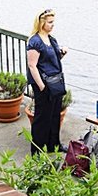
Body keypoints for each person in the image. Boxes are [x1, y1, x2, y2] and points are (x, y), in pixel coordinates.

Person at [25, 9, 67, 155]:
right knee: (42, 117)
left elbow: (53, 60)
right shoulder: (35, 41)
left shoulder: (51, 39)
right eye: (50, 22)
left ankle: (53, 145)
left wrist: (61, 53)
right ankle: (37, 150)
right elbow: (32, 65)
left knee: (55, 115)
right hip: (43, 84)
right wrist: (42, 86)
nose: (52, 25)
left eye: (53, 22)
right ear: (42, 23)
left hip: (55, 82)